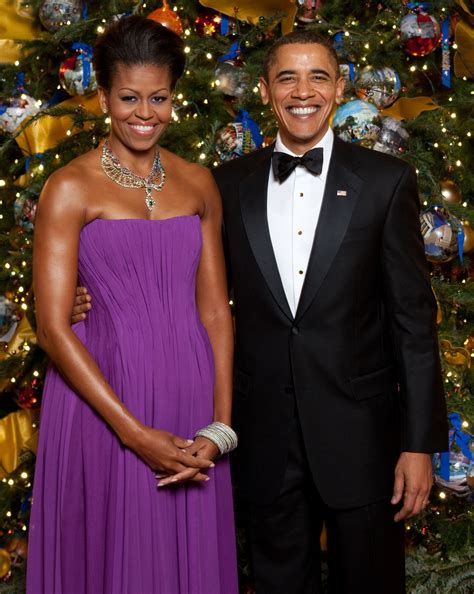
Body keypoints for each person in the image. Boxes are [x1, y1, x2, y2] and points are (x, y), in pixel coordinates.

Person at [73, 30, 448, 594]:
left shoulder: (385, 182)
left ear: (340, 86)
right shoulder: (224, 185)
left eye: (318, 76)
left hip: (363, 440)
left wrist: (419, 445)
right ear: (266, 91)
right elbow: (183, 285)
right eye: (287, 78)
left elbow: (414, 325)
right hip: (264, 440)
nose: (303, 91)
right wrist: (85, 296)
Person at [28, 16, 237, 594]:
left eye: (159, 97)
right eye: (128, 97)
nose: (144, 113)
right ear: (102, 98)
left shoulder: (198, 183)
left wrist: (221, 425)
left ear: (174, 98)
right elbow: (51, 326)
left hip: (191, 401)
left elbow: (217, 311)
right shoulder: (69, 186)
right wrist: (132, 432)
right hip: (104, 402)